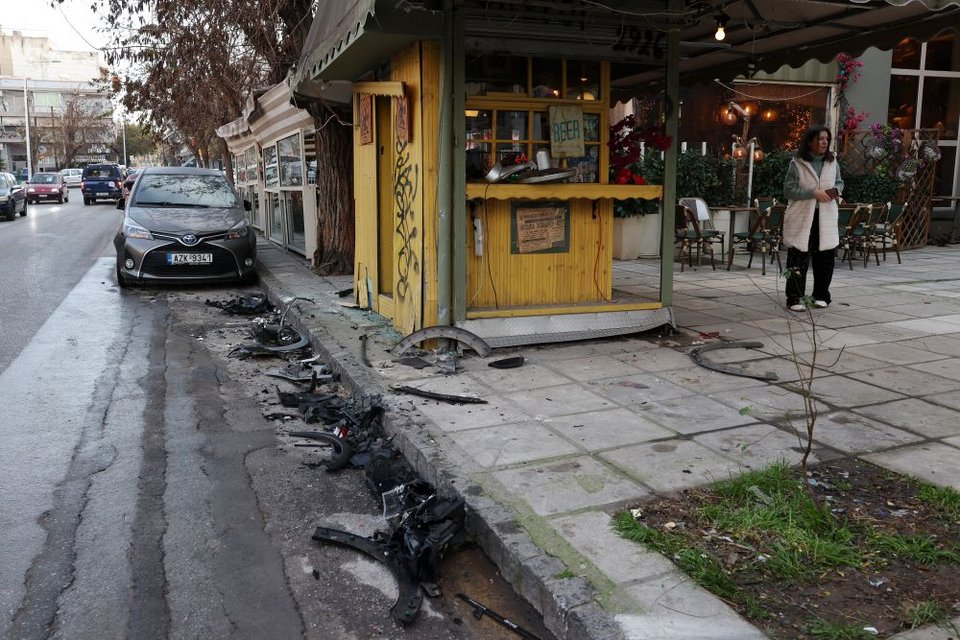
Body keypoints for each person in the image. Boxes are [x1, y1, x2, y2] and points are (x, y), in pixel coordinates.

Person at [781, 125, 844, 312]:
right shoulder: (797, 163)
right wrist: (813, 193)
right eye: (820, 138)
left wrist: (834, 191)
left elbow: (840, 183)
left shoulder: (833, 163)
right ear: (810, 141)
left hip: (826, 217)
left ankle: (821, 295)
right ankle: (794, 297)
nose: (824, 142)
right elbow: (788, 189)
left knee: (825, 258)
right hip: (802, 217)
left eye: (826, 138)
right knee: (798, 257)